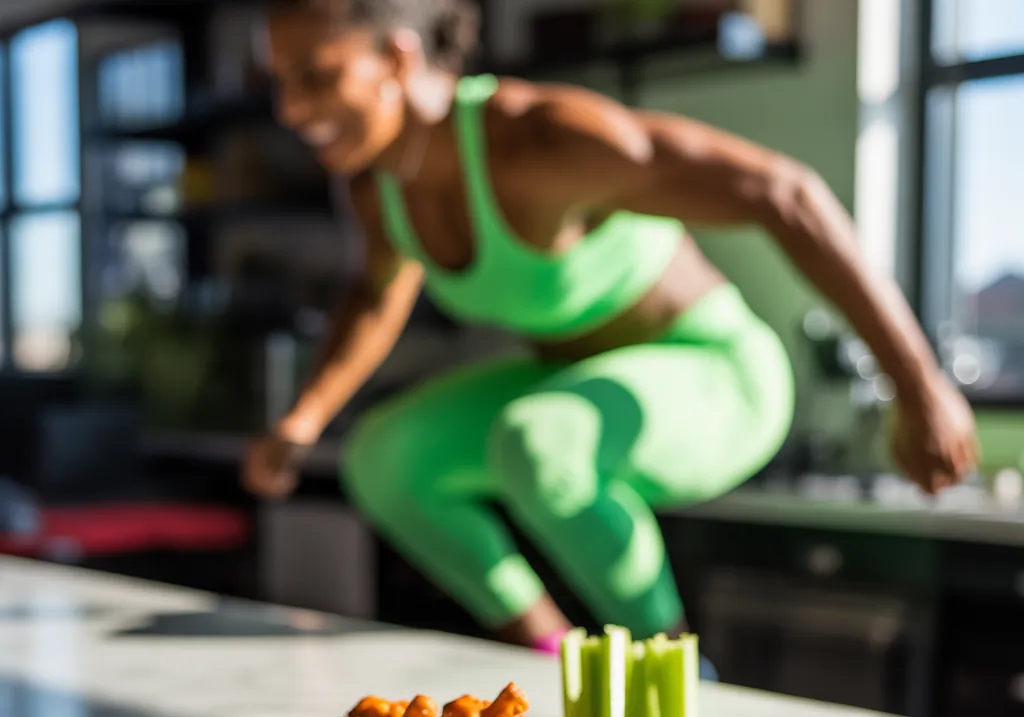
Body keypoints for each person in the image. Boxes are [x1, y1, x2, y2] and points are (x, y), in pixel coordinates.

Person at [244, 0, 978, 655]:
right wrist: (303, 420)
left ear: (397, 57)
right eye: (281, 82)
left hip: (719, 377)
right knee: (382, 456)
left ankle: (676, 671)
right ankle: (546, 656)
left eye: (315, 75)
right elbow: (376, 295)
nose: (289, 108)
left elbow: (784, 192)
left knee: (541, 438)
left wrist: (919, 386)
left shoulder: (538, 141)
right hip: (565, 389)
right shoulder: (377, 180)